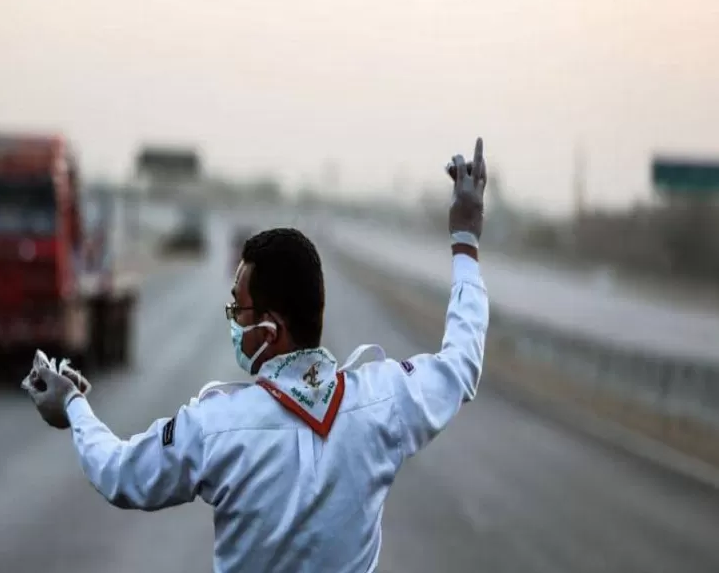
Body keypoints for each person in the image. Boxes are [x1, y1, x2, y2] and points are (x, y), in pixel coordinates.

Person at [25, 137, 489, 573]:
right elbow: (462, 363)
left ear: (271, 328)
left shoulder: (214, 426)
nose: (233, 320)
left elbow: (118, 474)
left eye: (239, 309)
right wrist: (465, 242)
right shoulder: (384, 399)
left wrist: (72, 405)